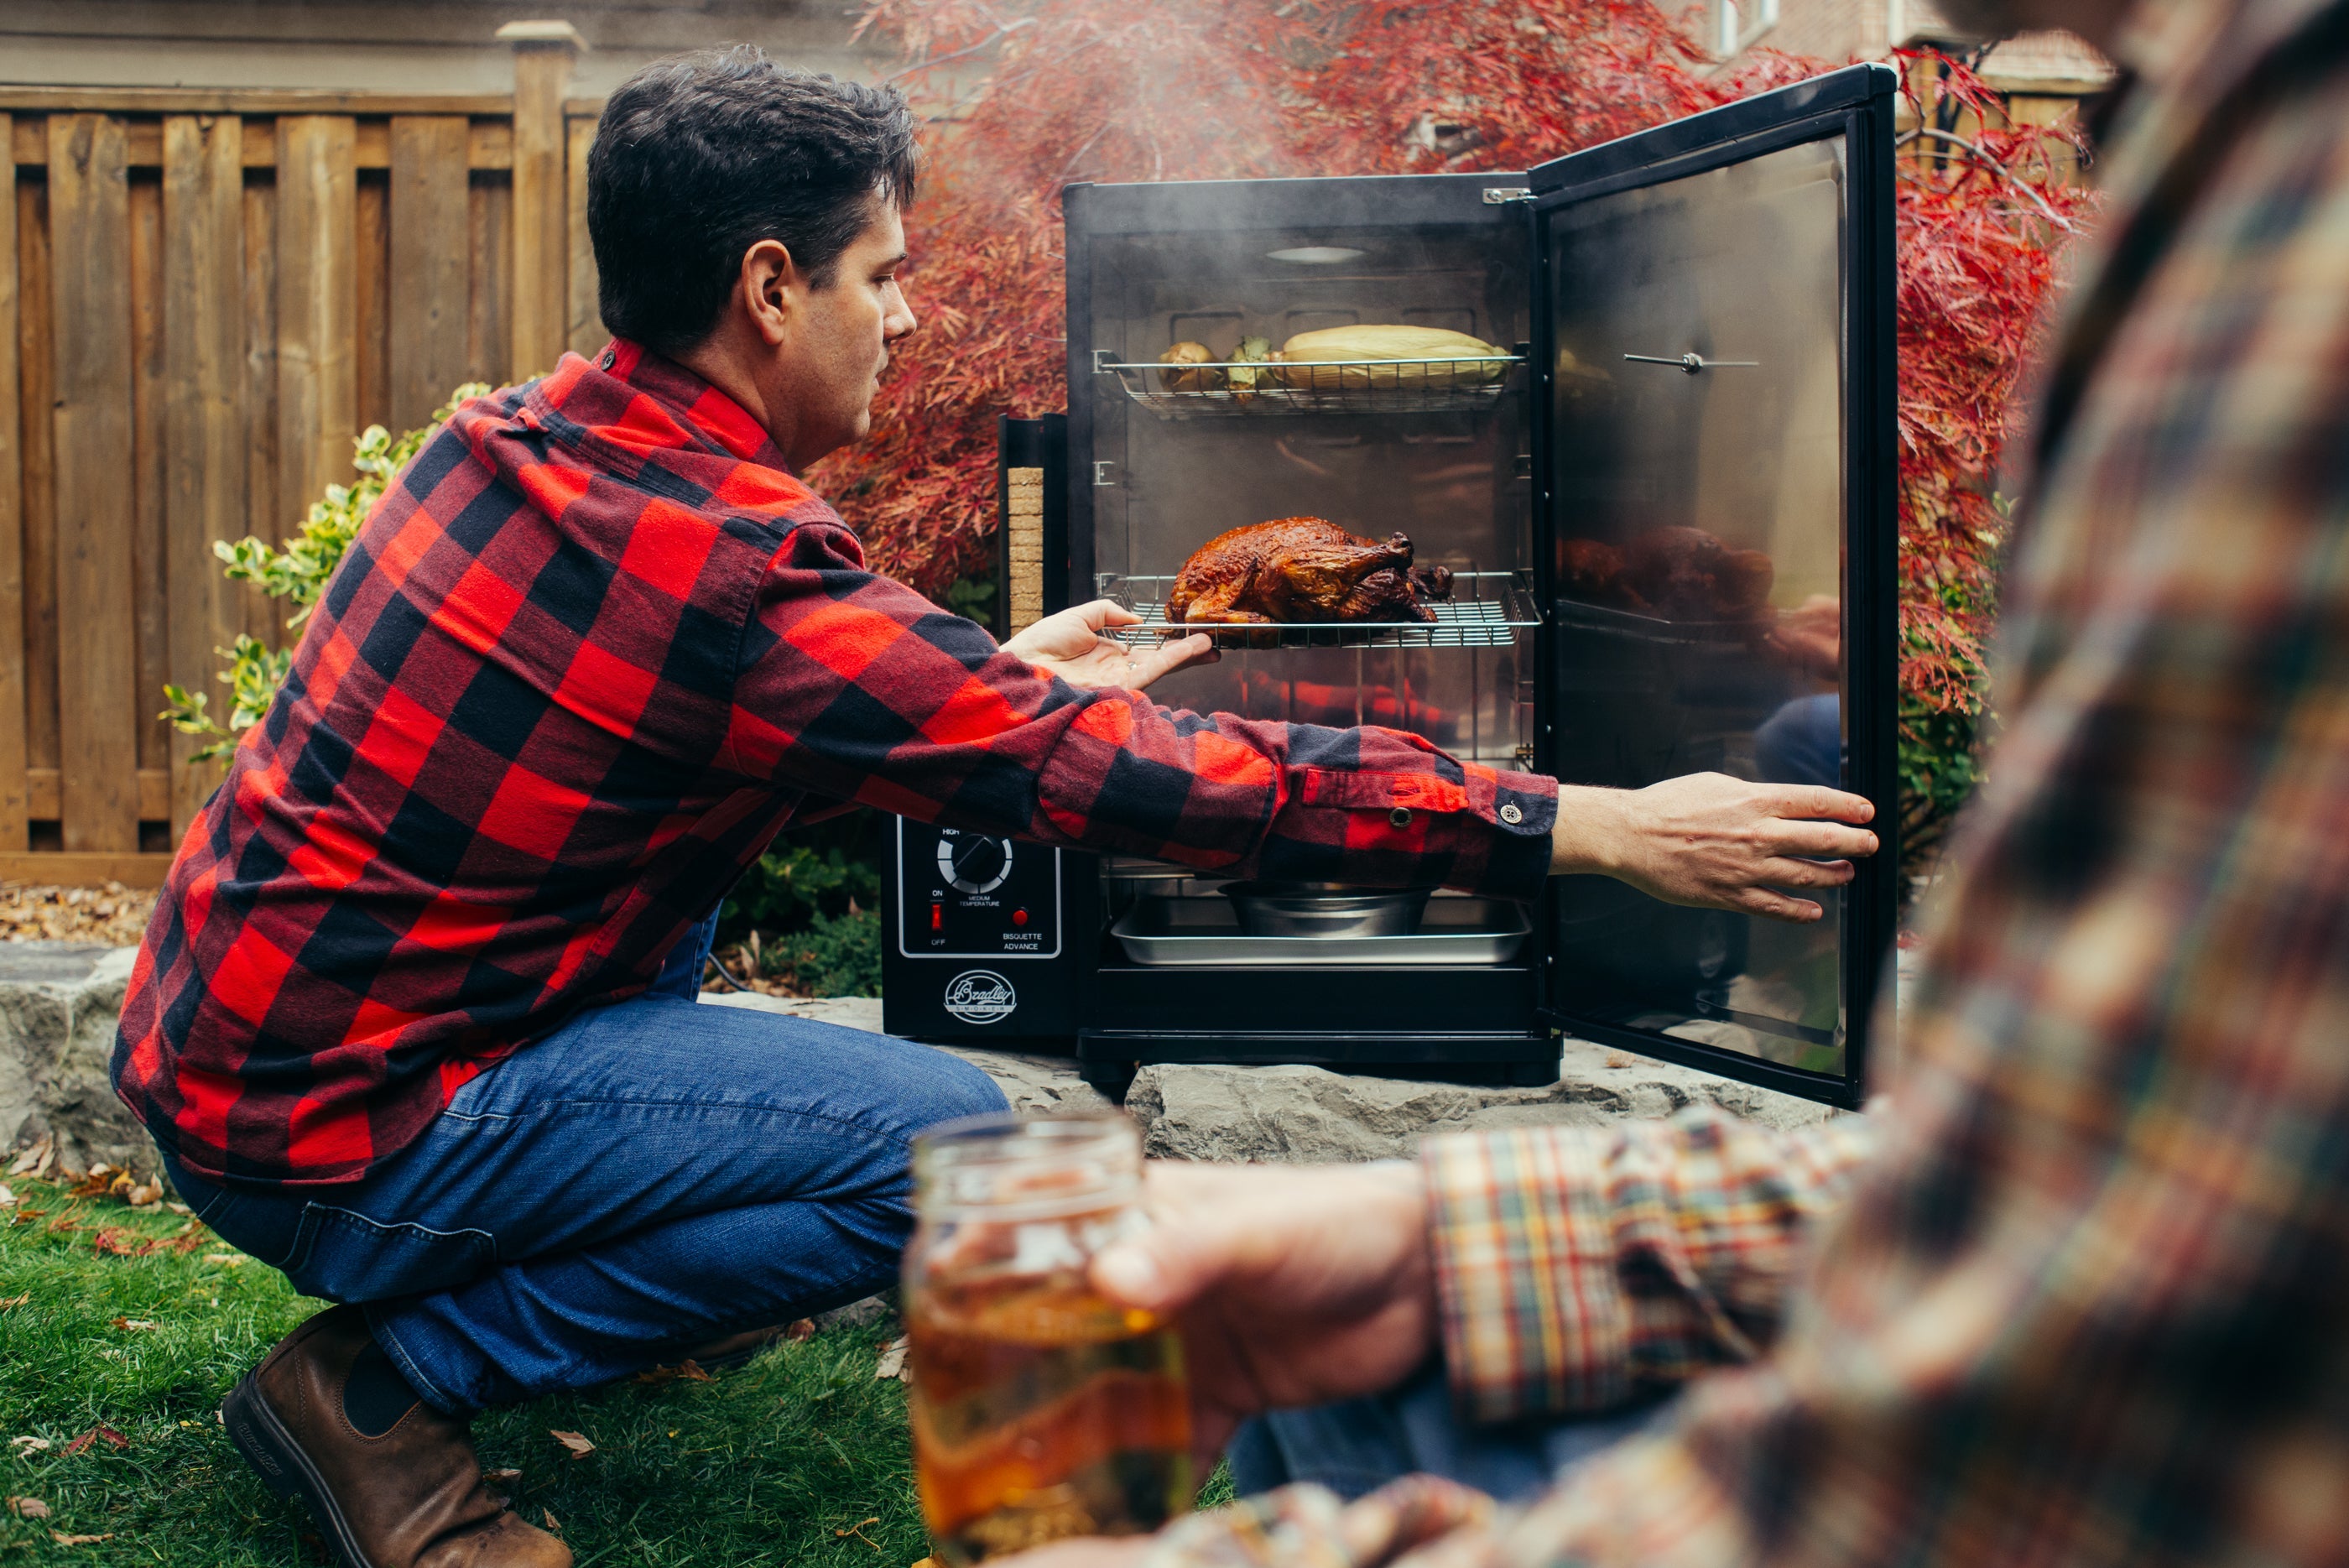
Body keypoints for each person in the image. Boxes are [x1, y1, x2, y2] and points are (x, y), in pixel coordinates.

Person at [107, 46, 1878, 1568]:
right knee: (969, 1157)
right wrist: (1573, 824)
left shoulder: (521, 442)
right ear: (771, 285)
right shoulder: (735, 574)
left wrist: (1002, 695)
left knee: (709, 920)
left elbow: (712, 714)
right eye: (885, 274)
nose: (910, 313)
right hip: (351, 1128)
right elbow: (1174, 788)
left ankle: (549, 1267)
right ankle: (384, 1384)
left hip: (236, 1045)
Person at [985, 0, 2349, 1563]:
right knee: (1330, 1363)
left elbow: (2102, 1388)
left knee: (1341, 1398)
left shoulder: (2303, 196)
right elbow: (2103, 1181)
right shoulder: (2228, 153)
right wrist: (1440, 1249)